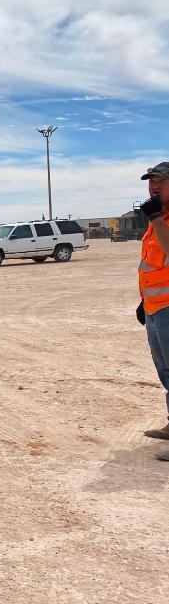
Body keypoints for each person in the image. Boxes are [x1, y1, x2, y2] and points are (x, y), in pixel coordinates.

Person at [138, 161, 169, 460]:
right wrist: (143, 301)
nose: (154, 186)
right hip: (155, 306)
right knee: (166, 371)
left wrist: (157, 217)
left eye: (161, 181)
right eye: (151, 181)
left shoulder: (159, 218)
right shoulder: (155, 218)